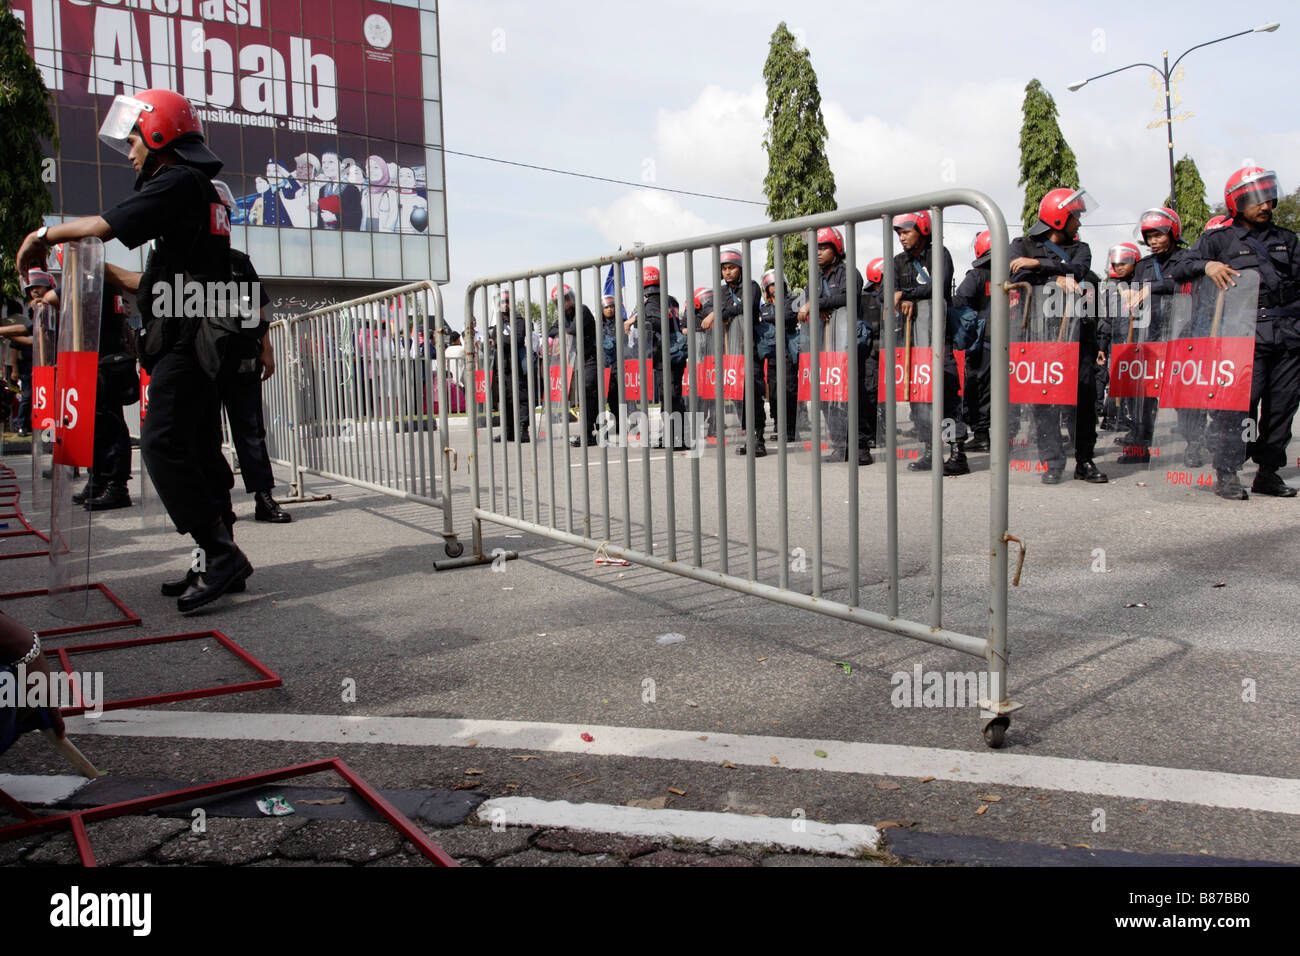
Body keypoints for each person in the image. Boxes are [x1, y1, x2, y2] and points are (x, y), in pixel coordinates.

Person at [18, 88, 251, 612]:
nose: (129, 154)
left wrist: (44, 235)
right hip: (197, 335)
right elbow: (148, 279)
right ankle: (222, 555)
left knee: (164, 443)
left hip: (189, 341)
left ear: (158, 133)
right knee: (195, 446)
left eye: (133, 142)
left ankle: (219, 554)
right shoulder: (196, 189)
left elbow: (103, 227)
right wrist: (73, 277)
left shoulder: (178, 180)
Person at [1175, 167, 1300, 500]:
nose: (1265, 206)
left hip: (1288, 333)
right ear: (1238, 202)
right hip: (1243, 335)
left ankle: (1268, 472)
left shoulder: (1287, 239)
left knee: (1282, 409)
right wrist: (1206, 265)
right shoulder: (1218, 239)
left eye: (1268, 198)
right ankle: (1227, 473)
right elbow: (1179, 268)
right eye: (1256, 200)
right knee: (1239, 408)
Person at [1009, 186, 1108, 485]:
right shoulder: (1021, 244)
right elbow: (1015, 274)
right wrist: (1055, 276)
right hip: (1039, 336)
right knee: (1044, 401)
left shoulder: (1082, 248)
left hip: (1079, 338)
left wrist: (1040, 267)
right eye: (1074, 216)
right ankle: (1052, 462)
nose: (1078, 222)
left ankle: (1085, 460)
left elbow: (1079, 270)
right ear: (1058, 219)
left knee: (1083, 398)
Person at [893, 212, 967, 475]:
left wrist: (907, 294)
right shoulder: (898, 262)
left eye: (906, 231)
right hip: (912, 342)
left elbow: (940, 287)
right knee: (919, 399)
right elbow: (885, 294)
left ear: (922, 229)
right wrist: (901, 297)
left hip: (938, 340)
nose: (902, 237)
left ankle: (957, 452)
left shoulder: (939, 254)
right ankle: (930, 450)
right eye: (899, 232)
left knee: (946, 395)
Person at [1115, 208, 1190, 464]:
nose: (1154, 241)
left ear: (1173, 233)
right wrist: (1125, 290)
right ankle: (1139, 447)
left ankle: (1194, 445)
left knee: (1184, 393)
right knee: (1143, 396)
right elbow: (1126, 285)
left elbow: (1186, 284)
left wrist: (1151, 288)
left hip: (1182, 336)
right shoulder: (1144, 266)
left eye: (1159, 235)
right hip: (1149, 336)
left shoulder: (1187, 259)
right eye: (1149, 237)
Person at [798, 227, 872, 464]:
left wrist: (818, 304)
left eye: (823, 247)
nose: (818, 253)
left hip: (847, 346)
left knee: (852, 395)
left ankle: (860, 447)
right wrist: (815, 307)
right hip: (824, 345)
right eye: (815, 249)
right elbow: (806, 304)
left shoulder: (849, 272)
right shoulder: (815, 278)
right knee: (826, 398)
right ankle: (840, 445)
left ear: (837, 248)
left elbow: (847, 297)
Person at [623, 266, 686, 449]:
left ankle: (677, 437)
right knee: (670, 395)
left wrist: (637, 319)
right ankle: (671, 435)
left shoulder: (650, 302)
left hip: (666, 354)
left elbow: (657, 322)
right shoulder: (669, 299)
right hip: (673, 353)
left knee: (670, 396)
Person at [954, 233, 993, 452]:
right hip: (1014, 343)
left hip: (984, 344)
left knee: (977, 389)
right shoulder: (1015, 274)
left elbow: (960, 302)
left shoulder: (977, 276)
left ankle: (981, 434)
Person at [547, 285, 600, 447]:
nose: (564, 303)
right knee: (585, 394)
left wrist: (562, 331)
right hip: (578, 360)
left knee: (587, 389)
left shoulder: (582, 310)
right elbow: (551, 330)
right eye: (560, 301)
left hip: (592, 357)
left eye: (566, 298)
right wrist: (562, 331)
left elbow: (573, 329)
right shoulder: (563, 316)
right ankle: (591, 428)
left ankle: (588, 432)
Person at [1097, 242, 1141, 433]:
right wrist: (1102, 345)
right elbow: (1109, 319)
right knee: (1119, 381)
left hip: (1135, 340)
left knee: (1125, 381)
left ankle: (1116, 416)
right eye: (1117, 264)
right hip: (1120, 340)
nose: (1119, 267)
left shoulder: (1140, 284)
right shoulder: (1114, 288)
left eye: (1124, 263)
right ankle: (1114, 417)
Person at [761, 269, 801, 444]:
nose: (774, 287)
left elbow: (787, 316)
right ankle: (779, 425)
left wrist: (768, 319)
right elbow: (761, 319)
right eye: (771, 285)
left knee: (790, 391)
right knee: (774, 393)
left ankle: (791, 429)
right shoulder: (765, 307)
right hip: (772, 355)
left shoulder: (791, 302)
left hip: (787, 353)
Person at [491, 288, 530, 444]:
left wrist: (500, 340)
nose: (505, 304)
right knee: (506, 399)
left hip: (518, 366)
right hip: (503, 366)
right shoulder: (499, 322)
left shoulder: (518, 320)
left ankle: (523, 430)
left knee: (520, 398)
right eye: (502, 302)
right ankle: (508, 431)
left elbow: (518, 339)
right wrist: (502, 339)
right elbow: (494, 339)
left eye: (507, 301)